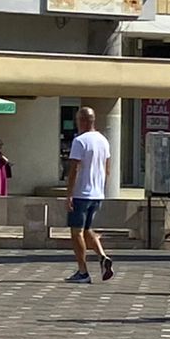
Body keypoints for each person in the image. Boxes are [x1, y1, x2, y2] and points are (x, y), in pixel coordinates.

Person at [65, 107, 113, 283]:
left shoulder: (80, 141)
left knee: (76, 232)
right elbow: (107, 169)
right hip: (97, 193)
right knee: (87, 229)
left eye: (78, 120)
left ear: (83, 120)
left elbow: (74, 168)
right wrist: (102, 188)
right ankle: (102, 256)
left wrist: (69, 193)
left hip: (81, 193)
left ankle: (83, 271)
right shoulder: (103, 140)